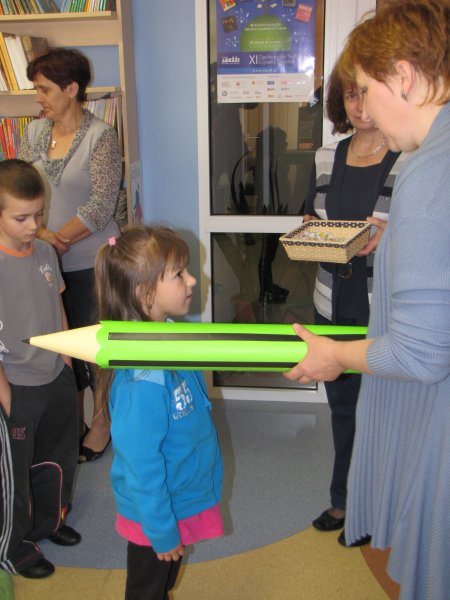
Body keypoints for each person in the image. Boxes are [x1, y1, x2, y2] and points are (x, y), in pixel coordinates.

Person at [284, 1, 450, 598]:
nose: (365, 111)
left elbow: (420, 353)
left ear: (402, 77)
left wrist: (335, 355)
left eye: (367, 91)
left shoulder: (426, 171)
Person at [94, 226, 224, 600]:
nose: (192, 280)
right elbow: (141, 464)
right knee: (147, 590)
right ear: (144, 292)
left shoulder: (167, 337)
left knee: (162, 584)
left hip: (178, 493)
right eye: (179, 274)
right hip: (156, 512)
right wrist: (161, 530)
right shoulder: (142, 377)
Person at [304, 64, 405, 546]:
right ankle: (344, 499)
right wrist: (311, 229)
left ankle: (378, 508)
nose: (360, 107)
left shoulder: (411, 156)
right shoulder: (327, 155)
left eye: (367, 94)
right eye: (350, 97)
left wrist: (391, 234)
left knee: (383, 414)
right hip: (332, 301)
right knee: (343, 412)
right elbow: (313, 212)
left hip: (384, 309)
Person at [19, 47, 122, 462]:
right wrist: (42, 236)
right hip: (41, 262)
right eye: (36, 89)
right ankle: (72, 420)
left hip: (92, 263)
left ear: (71, 88)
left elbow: (101, 204)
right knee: (60, 348)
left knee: (97, 349)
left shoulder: (102, 136)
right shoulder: (33, 133)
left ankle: (101, 423)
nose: (38, 98)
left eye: (44, 89)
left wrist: (57, 239)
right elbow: (19, 190)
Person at [0, 159, 81, 579]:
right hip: (16, 386)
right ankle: (13, 547)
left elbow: (58, 306)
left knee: (59, 457)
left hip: (56, 377)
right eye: (21, 218)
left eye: (39, 214)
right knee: (15, 474)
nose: (34, 225)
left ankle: (49, 523)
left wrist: (66, 363)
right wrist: (7, 396)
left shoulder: (47, 252)